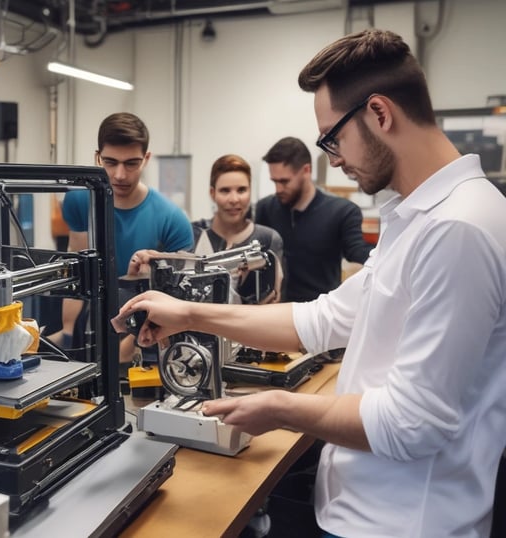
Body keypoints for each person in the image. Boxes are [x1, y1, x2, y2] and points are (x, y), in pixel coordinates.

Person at [117, 29, 506, 537]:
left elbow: (414, 423)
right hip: (366, 511)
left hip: (404, 523)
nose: (334, 157)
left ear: (380, 113)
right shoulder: (416, 216)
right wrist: (189, 313)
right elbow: (321, 318)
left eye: (333, 138)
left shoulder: (457, 228)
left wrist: (279, 407)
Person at [51, 112, 193, 350]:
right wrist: (67, 333)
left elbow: (179, 301)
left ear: (146, 159)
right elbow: (77, 272)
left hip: (149, 333)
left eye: (131, 163)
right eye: (110, 162)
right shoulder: (77, 202)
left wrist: (134, 344)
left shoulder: (172, 220)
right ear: (97, 158)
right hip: (93, 325)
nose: (120, 175)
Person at [130, 153, 284, 305]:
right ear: (212, 193)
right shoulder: (190, 233)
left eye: (242, 190)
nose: (234, 199)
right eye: (225, 190)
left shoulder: (268, 239)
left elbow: (273, 301)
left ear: (250, 192)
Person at [255, 136, 373, 302]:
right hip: (275, 310)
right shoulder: (265, 208)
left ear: (306, 171)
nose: (278, 189)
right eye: (274, 181)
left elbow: (357, 252)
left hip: (318, 314)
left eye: (284, 181)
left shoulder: (342, 211)